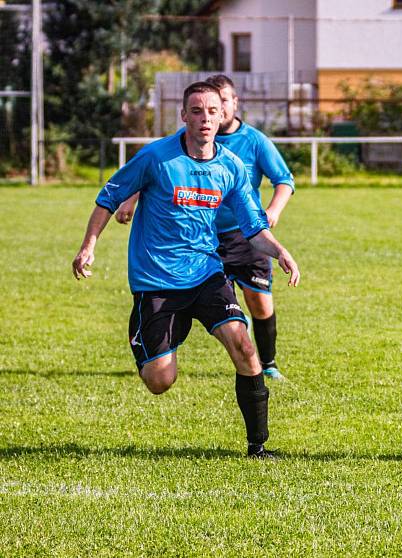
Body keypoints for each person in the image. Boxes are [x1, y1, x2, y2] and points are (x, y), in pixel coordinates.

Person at [72, 81, 300, 459]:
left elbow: (253, 227)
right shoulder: (156, 157)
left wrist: (280, 252)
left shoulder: (230, 166)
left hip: (205, 273)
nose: (205, 119)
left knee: (244, 346)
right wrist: (88, 246)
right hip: (157, 280)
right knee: (160, 381)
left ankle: (257, 446)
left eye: (212, 111)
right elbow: (109, 196)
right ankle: (149, 336)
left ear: (222, 113)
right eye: (196, 111)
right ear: (184, 116)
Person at [116, 74, 295, 381]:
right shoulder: (187, 139)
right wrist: (130, 200)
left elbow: (285, 180)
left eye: (221, 103)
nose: (213, 112)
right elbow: (153, 171)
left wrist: (272, 213)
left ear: (233, 104)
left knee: (259, 302)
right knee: (212, 305)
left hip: (245, 234)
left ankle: (268, 363)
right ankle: (184, 330)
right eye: (204, 108)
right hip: (202, 241)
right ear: (188, 113)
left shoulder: (252, 142)